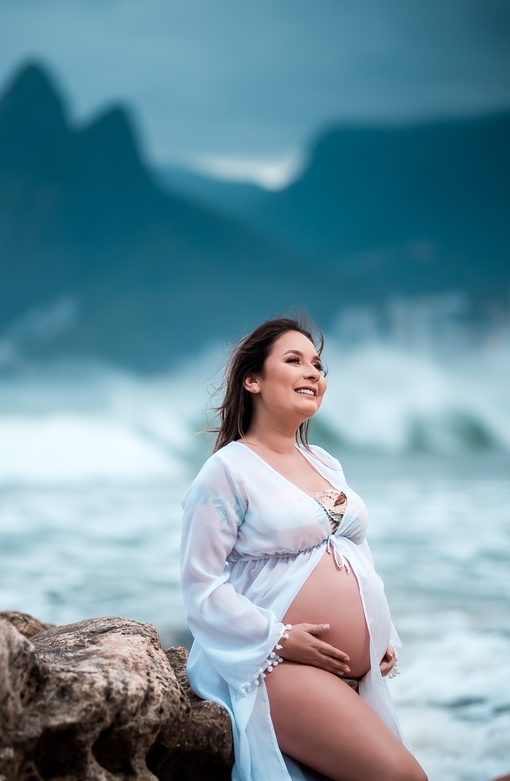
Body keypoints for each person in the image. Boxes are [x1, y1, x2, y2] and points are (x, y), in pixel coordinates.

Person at [180, 315, 426, 781]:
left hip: (350, 675)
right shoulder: (226, 471)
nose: (314, 373)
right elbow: (201, 587)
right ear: (252, 380)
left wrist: (383, 638)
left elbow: (357, 555)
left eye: (318, 364)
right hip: (274, 664)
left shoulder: (326, 463)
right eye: (294, 361)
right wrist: (279, 638)